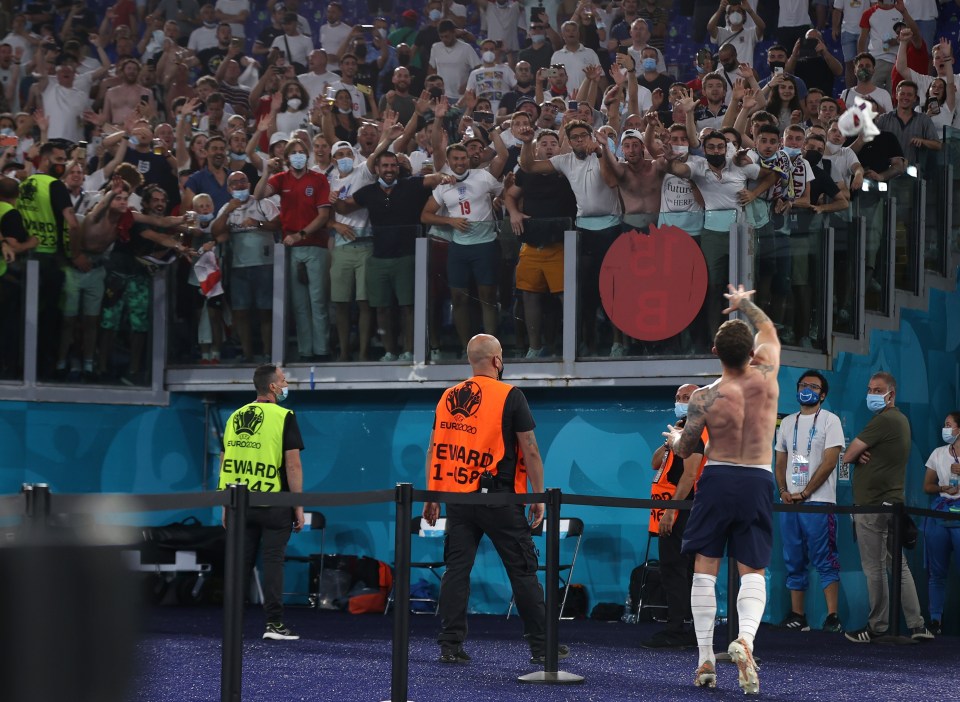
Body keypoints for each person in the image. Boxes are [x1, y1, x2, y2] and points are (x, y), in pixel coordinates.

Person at [422, 333, 570, 665]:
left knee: (456, 571)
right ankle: (542, 646)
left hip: (457, 498)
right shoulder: (509, 395)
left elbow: (435, 449)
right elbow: (529, 448)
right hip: (499, 498)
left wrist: (431, 495)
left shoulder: (447, 396)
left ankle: (450, 645)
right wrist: (537, 495)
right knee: (522, 571)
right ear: (497, 361)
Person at [663, 284, 781, 695]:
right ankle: (745, 640)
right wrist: (744, 303)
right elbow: (768, 329)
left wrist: (672, 439)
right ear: (752, 353)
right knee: (753, 570)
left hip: (717, 480)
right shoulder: (767, 376)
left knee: (705, 569)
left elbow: (688, 446)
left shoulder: (703, 397)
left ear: (715, 353)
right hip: (758, 479)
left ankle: (705, 661)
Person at [842, 371, 934, 643]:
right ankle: (917, 625)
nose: (871, 394)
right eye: (869, 388)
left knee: (874, 568)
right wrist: (860, 455)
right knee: (898, 567)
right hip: (891, 503)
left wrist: (857, 455)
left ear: (891, 394)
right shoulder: (900, 420)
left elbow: (847, 455)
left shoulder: (884, 420)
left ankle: (877, 626)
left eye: (877, 389)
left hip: (873, 506)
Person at [218, 363, 304, 642]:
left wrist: (224, 504)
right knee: (273, 563)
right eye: (283, 379)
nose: (286, 383)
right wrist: (298, 506)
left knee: (239, 565)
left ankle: (232, 626)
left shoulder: (234, 416)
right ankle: (274, 624)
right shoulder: (284, 416)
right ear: (272, 387)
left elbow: (225, 462)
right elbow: (292, 466)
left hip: (240, 504)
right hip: (275, 504)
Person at [774, 370, 844, 633]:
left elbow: (829, 461)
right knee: (793, 558)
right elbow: (780, 460)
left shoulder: (830, 420)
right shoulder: (787, 422)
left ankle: (832, 616)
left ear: (822, 394)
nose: (807, 389)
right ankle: (797, 615)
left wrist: (805, 493)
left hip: (818, 501)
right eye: (803, 385)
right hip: (789, 503)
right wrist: (783, 490)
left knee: (825, 557)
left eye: (813, 386)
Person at [643, 383, 706, 649]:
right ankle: (683, 627)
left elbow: (690, 476)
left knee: (676, 569)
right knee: (677, 569)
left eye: (687, 397)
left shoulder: (697, 431)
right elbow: (655, 463)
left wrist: (672, 511)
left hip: (680, 509)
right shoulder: (680, 430)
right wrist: (670, 442)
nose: (681, 401)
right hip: (668, 509)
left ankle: (677, 629)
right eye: (678, 397)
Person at [921, 410, 960, 635]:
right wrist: (942, 487)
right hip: (941, 512)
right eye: (944, 424)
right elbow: (927, 486)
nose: (945, 429)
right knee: (937, 573)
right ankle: (935, 620)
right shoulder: (938, 453)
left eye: (949, 424)